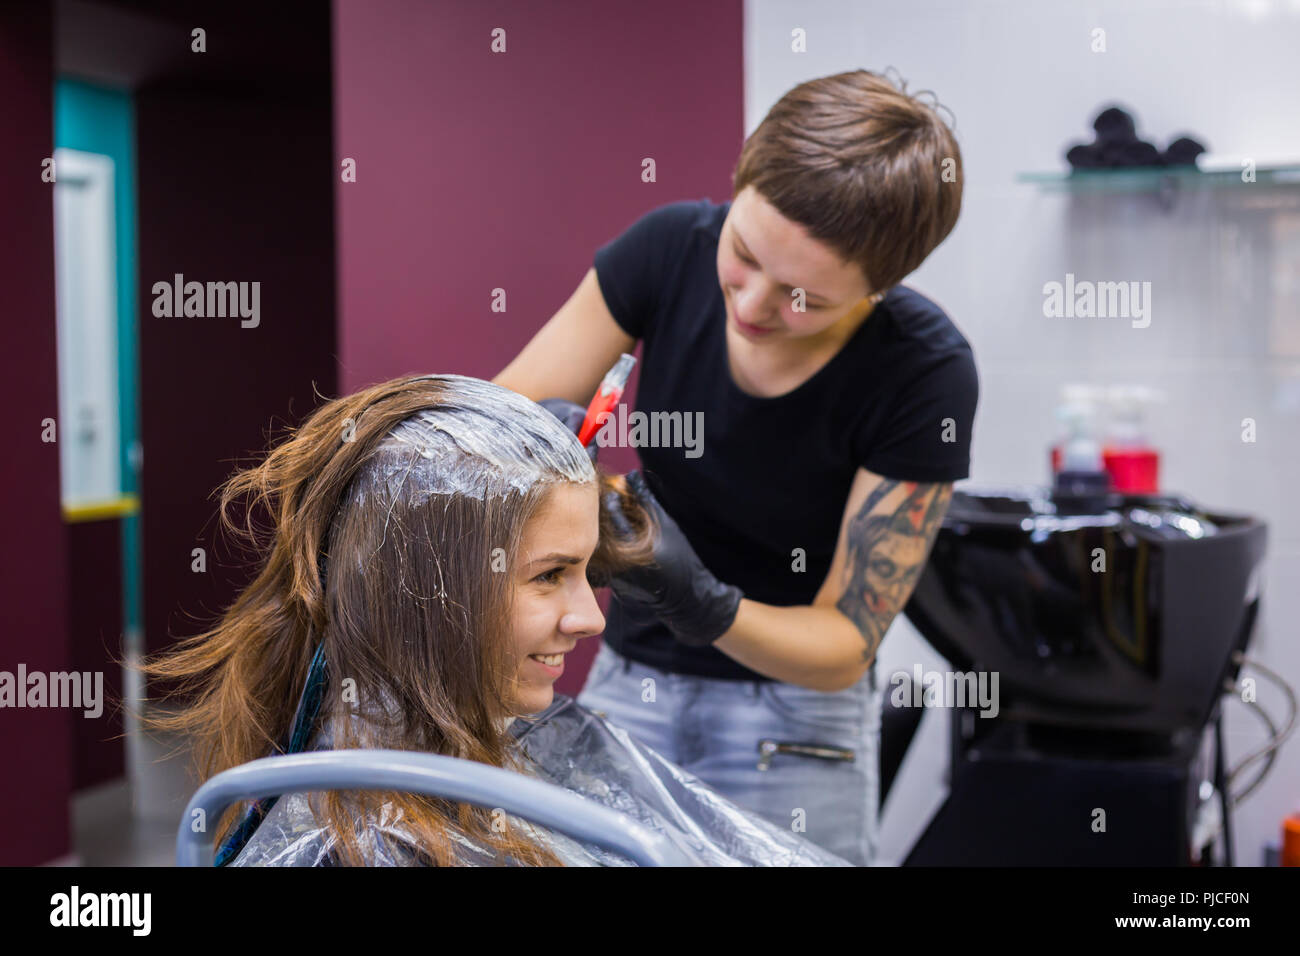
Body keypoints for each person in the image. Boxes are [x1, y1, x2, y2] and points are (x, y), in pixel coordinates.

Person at [494, 69, 979, 865]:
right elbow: (503, 419)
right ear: (740, 179)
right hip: (631, 689)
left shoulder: (924, 374)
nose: (753, 305)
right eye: (744, 253)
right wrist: (536, 443)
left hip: (798, 726)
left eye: (804, 298)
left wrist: (706, 605)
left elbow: (847, 639)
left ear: (879, 289)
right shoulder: (668, 249)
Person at [137, 373, 849, 866]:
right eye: (550, 576)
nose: (589, 619)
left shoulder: (511, 752)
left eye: (586, 571)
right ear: (425, 588)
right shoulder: (358, 846)